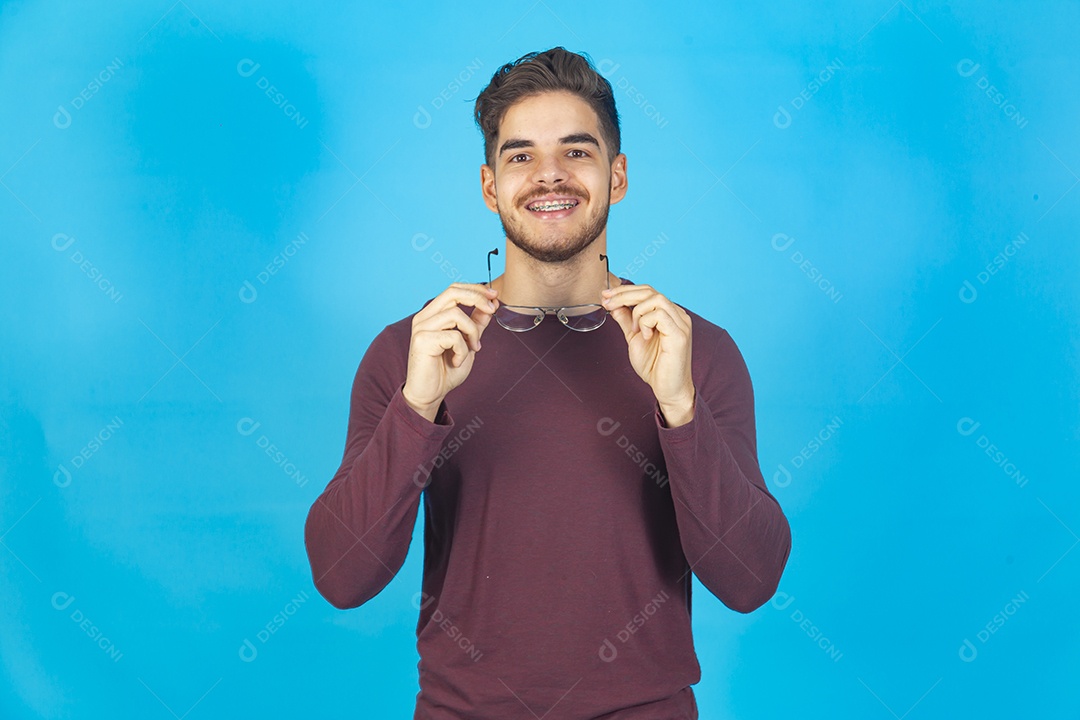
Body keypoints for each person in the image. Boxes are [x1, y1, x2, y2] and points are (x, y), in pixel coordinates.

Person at [304, 46, 791, 720]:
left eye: (577, 152)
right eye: (521, 156)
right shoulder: (414, 351)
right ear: (488, 185)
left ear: (617, 176)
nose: (550, 176)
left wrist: (680, 409)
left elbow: (751, 579)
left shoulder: (694, 351)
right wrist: (418, 407)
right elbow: (341, 577)